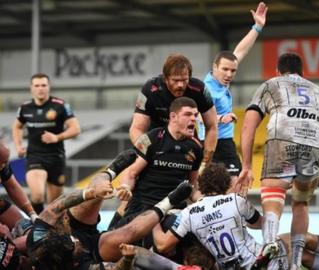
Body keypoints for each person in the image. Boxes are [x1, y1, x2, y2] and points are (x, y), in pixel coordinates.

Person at [155, 163, 319, 270]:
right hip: (259, 262)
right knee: (299, 238)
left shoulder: (189, 214)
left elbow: (163, 246)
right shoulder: (234, 202)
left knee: (300, 256)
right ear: (223, 183)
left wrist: (155, 218)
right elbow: (262, 225)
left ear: (202, 185)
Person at [236, 52, 319, 269]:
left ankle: (270, 242)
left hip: (283, 139)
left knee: (273, 196)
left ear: (278, 71)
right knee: (301, 203)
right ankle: (296, 263)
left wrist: (246, 166)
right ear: (302, 72)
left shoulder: (271, 84)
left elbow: (248, 126)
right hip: (315, 146)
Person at [25, 149, 194, 270]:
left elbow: (58, 205)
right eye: (73, 245)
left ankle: (112, 169)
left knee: (93, 196)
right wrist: (127, 259)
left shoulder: (38, 237)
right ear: (69, 260)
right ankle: (169, 201)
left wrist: (89, 193)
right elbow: (115, 268)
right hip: (92, 251)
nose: (76, 241)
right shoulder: (82, 265)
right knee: (126, 237)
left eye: (71, 239)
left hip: (76, 227)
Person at [111, 97, 203, 242]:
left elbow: (192, 185)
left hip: (173, 210)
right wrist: (126, 187)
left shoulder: (196, 148)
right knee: (113, 243)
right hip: (143, 207)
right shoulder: (151, 138)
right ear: (173, 117)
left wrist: (203, 201)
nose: (193, 119)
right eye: (188, 114)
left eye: (195, 115)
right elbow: (131, 172)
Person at [197, 2, 267, 178]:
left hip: (226, 142)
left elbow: (240, 51)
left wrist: (257, 27)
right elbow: (197, 115)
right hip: (210, 143)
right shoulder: (207, 90)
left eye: (233, 71)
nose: (229, 74)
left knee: (236, 185)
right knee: (208, 189)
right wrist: (221, 118)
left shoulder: (221, 80)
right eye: (225, 70)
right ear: (215, 67)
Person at [12, 73, 81, 214]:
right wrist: (18, 145)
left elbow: (76, 129)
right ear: (31, 88)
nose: (40, 89)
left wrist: (57, 137)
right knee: (37, 196)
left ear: (49, 87)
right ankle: (36, 225)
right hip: (35, 156)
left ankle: (51, 230)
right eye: (36, 85)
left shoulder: (60, 106)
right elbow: (17, 126)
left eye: (43, 85)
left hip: (56, 157)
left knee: (54, 205)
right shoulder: (25, 108)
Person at [130, 53, 217, 166]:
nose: (180, 85)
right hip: (156, 139)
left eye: (184, 80)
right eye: (175, 80)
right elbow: (136, 128)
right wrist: (147, 152)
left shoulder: (200, 89)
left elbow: (212, 127)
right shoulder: (150, 89)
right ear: (165, 78)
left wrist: (205, 162)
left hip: (187, 140)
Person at [0, 143, 37, 229]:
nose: (3, 166)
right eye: (2, 162)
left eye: (5, 162)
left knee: (26, 228)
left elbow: (13, 187)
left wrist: (32, 213)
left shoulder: (3, 166)